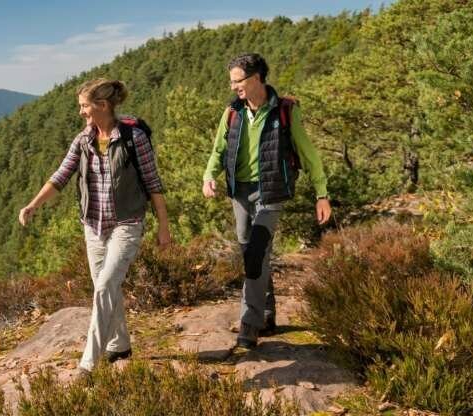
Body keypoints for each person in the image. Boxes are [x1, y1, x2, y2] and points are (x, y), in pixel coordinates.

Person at [18, 78, 171, 376]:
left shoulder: (133, 138)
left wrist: (164, 226)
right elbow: (61, 175)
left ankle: (89, 362)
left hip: (127, 224)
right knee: (107, 287)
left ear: (102, 106)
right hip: (94, 226)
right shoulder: (83, 140)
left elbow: (153, 184)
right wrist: (33, 204)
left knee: (103, 286)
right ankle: (120, 343)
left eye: (84, 106)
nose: (81, 112)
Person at [202, 53, 332, 349]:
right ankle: (268, 314)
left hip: (270, 191)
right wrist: (209, 175)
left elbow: (309, 153)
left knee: (256, 250)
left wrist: (321, 194)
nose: (234, 87)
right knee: (251, 251)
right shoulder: (232, 112)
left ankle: (249, 323)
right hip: (240, 192)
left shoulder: (284, 111)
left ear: (257, 77)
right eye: (232, 82)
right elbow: (218, 149)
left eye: (239, 81)